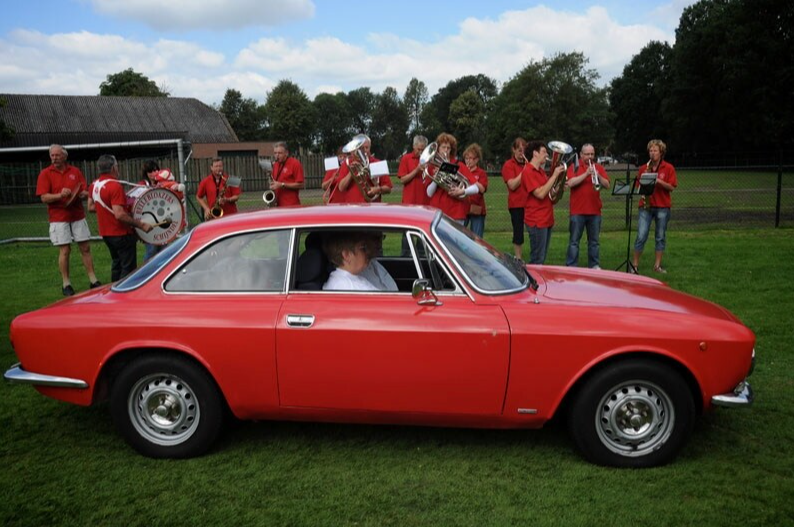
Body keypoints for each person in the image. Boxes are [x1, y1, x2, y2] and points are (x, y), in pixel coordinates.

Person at [36, 144, 100, 296]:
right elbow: (44, 197)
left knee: (85, 248)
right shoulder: (45, 173)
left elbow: (84, 190)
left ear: (65, 156)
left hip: (77, 215)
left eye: (57, 155)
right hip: (58, 218)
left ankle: (93, 280)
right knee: (65, 250)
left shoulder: (75, 171)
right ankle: (66, 284)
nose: (54, 158)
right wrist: (60, 195)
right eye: (52, 155)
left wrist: (82, 194)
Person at [87, 155, 153, 281]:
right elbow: (119, 214)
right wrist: (141, 225)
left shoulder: (94, 185)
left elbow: (90, 207)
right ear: (113, 168)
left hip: (106, 233)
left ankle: (113, 290)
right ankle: (123, 295)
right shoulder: (115, 186)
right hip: (121, 233)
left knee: (116, 264)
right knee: (128, 269)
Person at [632, 139, 678, 274]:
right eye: (650, 151)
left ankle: (657, 266)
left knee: (660, 236)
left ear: (661, 152)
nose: (652, 153)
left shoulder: (668, 168)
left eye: (655, 151)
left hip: (662, 206)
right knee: (641, 235)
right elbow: (637, 187)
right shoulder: (643, 168)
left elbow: (671, 187)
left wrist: (658, 181)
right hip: (645, 206)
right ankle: (634, 265)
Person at [565, 144, 610, 269]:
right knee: (574, 242)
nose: (590, 157)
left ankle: (594, 264)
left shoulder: (598, 167)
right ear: (581, 154)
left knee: (594, 242)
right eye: (587, 154)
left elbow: (607, 185)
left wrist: (597, 174)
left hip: (595, 211)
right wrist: (586, 174)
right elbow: (570, 183)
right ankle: (571, 265)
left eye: (592, 154)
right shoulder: (574, 167)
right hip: (577, 211)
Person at [522, 140, 566, 265]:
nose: (547, 155)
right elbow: (540, 194)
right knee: (537, 259)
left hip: (546, 219)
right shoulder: (528, 171)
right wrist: (554, 175)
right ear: (535, 153)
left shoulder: (541, 172)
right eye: (544, 152)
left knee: (541, 258)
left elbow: (548, 193)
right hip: (536, 221)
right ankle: (533, 283)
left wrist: (559, 186)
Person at [426, 133, 480, 224]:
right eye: (443, 147)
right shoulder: (432, 166)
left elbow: (476, 188)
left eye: (448, 148)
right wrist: (437, 179)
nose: (446, 150)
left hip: (456, 213)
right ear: (438, 148)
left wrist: (462, 191)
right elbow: (429, 193)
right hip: (437, 213)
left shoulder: (459, 165)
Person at [322, 232, 396, 291]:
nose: (368, 252)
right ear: (346, 255)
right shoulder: (347, 287)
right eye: (363, 248)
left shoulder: (344, 280)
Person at [335, 135, 392, 203]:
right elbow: (341, 188)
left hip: (372, 207)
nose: (365, 151)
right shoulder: (347, 164)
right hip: (352, 207)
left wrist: (378, 189)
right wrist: (351, 173)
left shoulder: (377, 163)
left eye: (367, 147)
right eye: (361, 148)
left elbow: (388, 188)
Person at [502, 138, 529, 260]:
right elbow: (512, 185)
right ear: (513, 150)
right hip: (516, 204)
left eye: (524, 150)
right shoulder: (508, 165)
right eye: (519, 150)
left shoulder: (528, 163)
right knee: (518, 232)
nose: (521, 153)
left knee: (535, 231)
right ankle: (518, 258)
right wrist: (525, 170)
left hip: (530, 203)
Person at [462, 143, 488, 238]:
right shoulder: (461, 171)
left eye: (470, 158)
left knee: (477, 238)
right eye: (466, 158)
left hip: (477, 208)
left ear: (476, 160)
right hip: (463, 207)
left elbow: (482, 189)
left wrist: (470, 177)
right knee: (459, 235)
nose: (468, 161)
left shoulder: (481, 173)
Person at [270, 141, 304, 206]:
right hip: (277, 204)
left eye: (280, 153)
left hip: (291, 204)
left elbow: (301, 185)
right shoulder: (275, 165)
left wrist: (282, 185)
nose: (277, 155)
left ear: (286, 153)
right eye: (275, 153)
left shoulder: (295, 163)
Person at [398, 135, 429, 206]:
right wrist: (417, 170)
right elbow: (402, 180)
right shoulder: (406, 158)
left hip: (425, 201)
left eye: (423, 150)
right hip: (409, 202)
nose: (421, 152)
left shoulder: (429, 160)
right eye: (418, 149)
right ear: (413, 146)